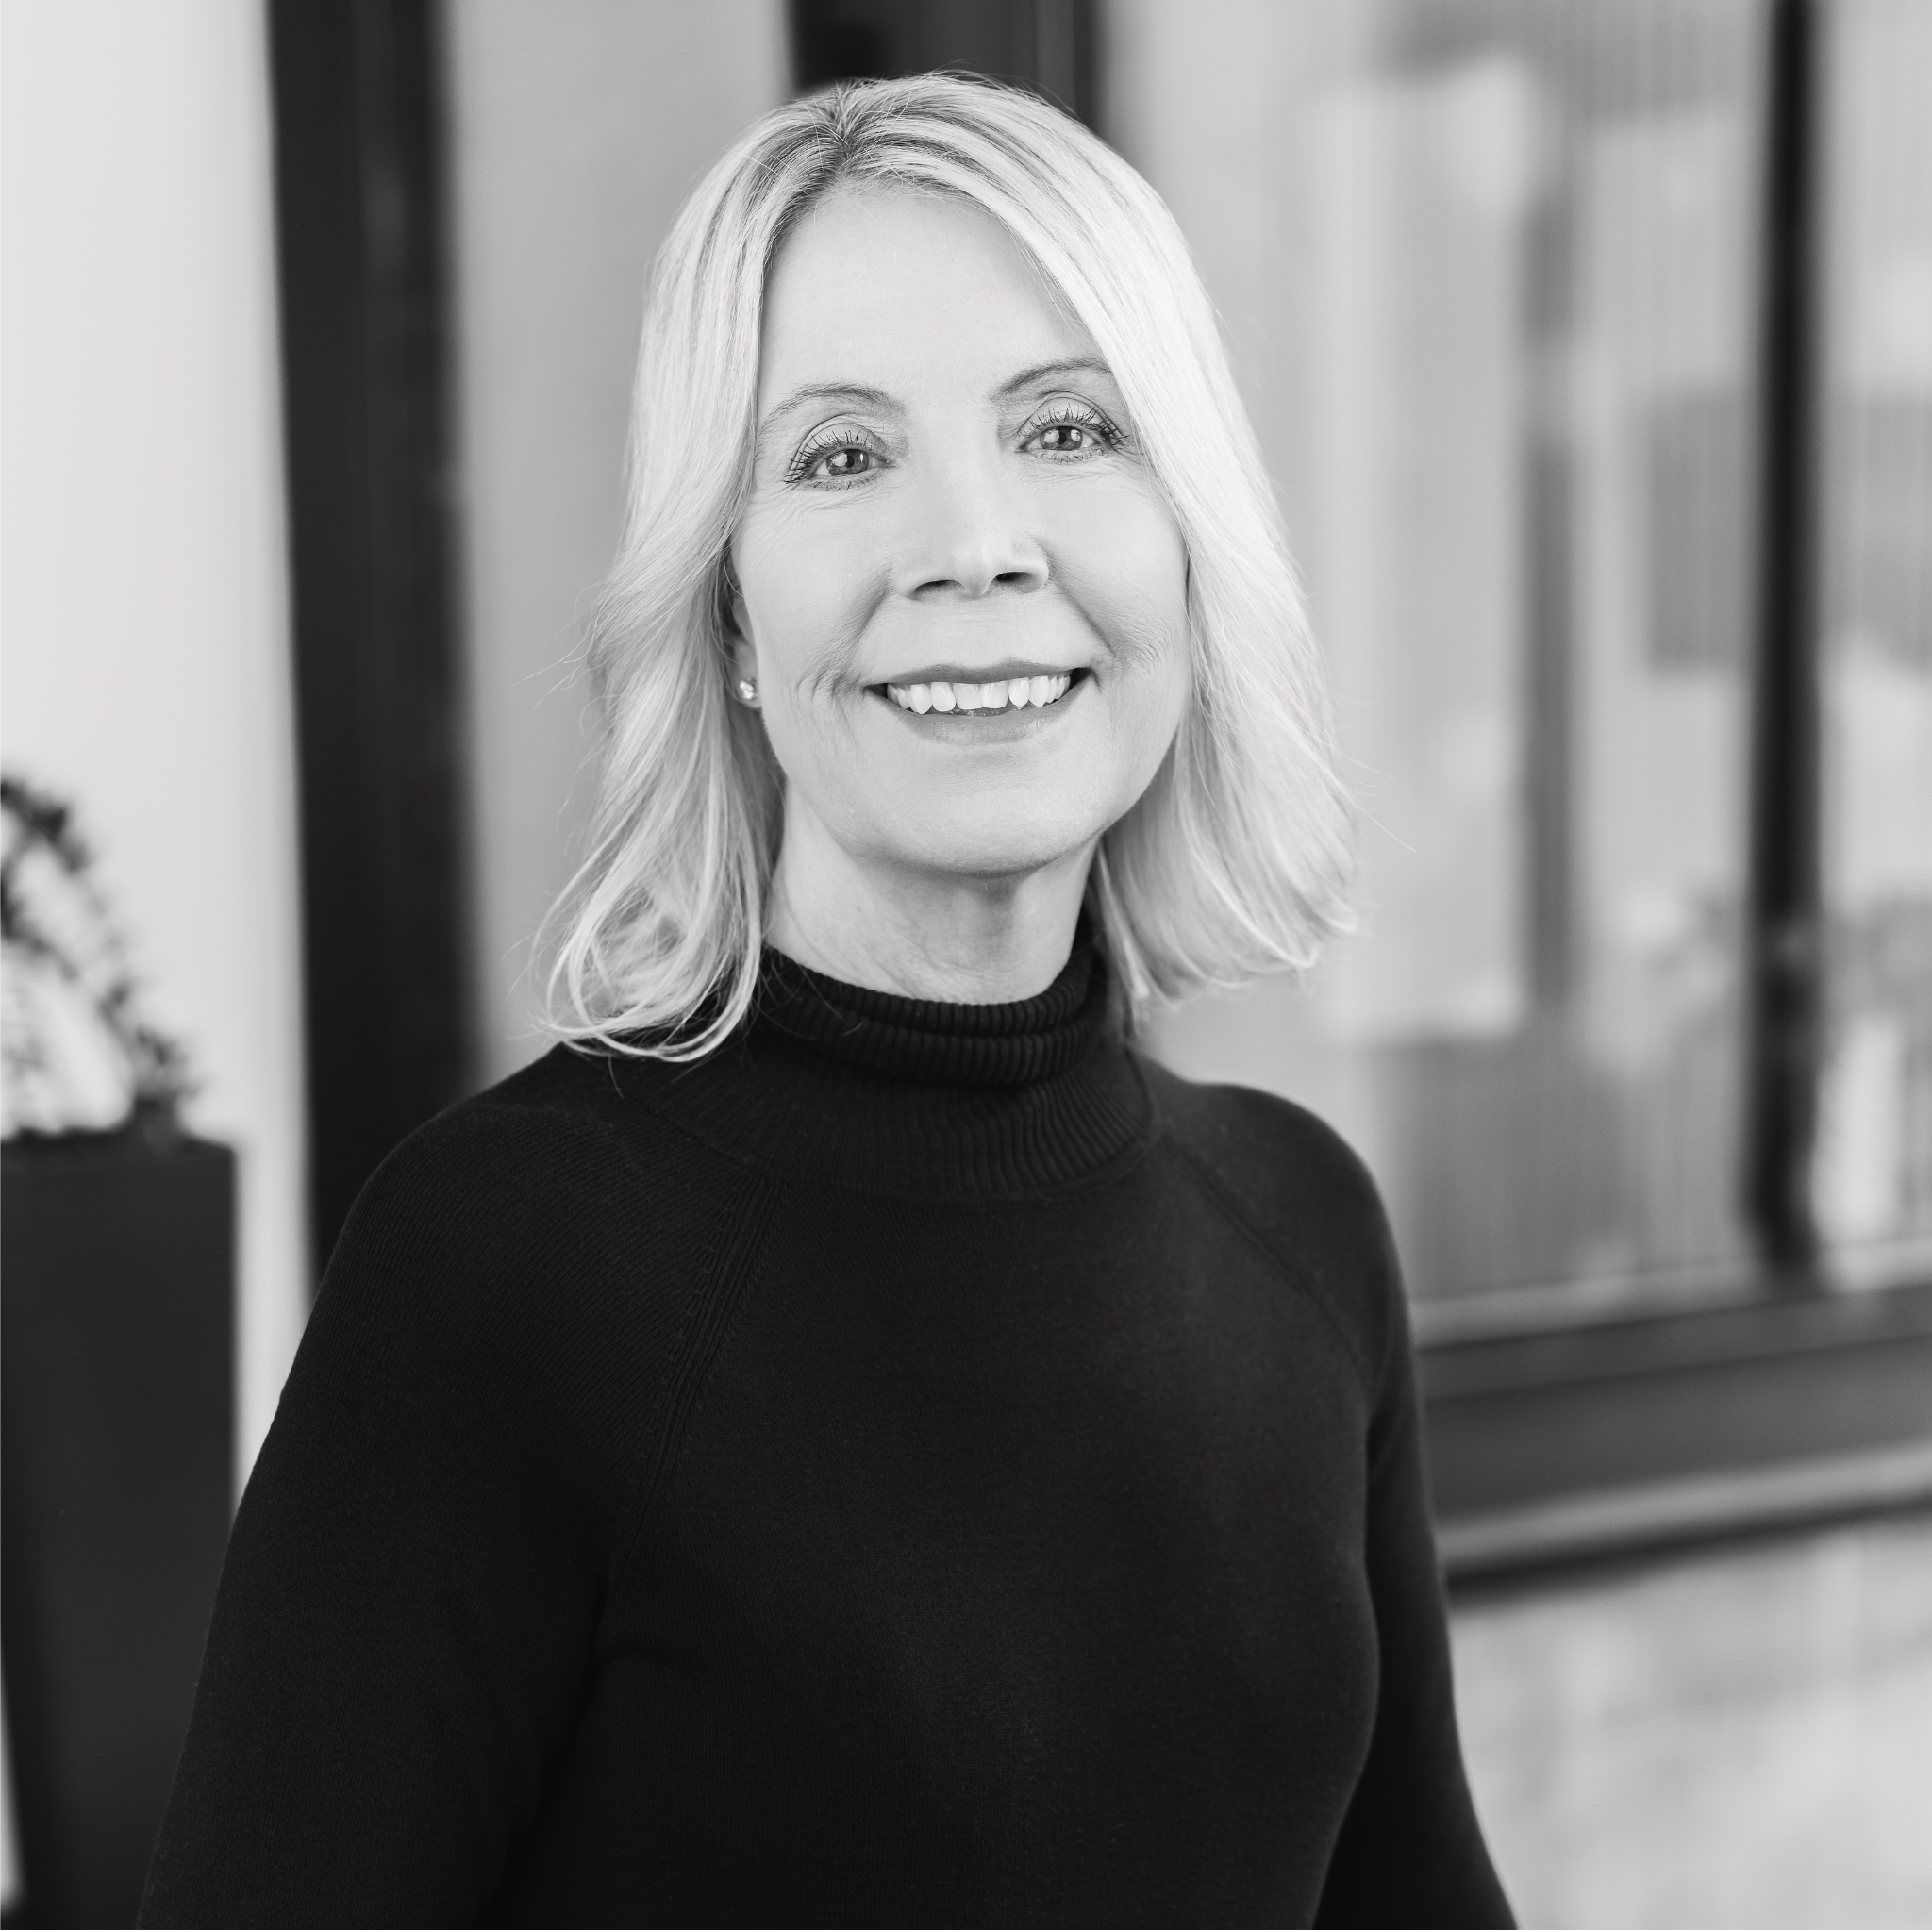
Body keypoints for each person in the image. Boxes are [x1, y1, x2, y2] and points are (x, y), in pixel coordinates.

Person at [142, 75, 1514, 1927]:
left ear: (1190, 539)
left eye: (1068, 428)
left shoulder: (1302, 1225)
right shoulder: (504, 1263)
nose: (976, 542)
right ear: (726, 614)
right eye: (843, 458)